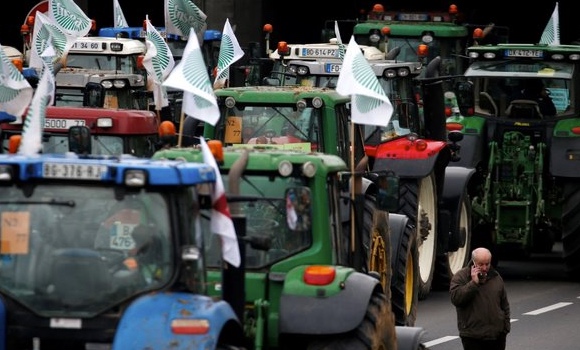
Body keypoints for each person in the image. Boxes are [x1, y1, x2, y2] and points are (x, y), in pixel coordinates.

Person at [450, 247, 511, 350]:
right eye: (480, 264)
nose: (484, 267)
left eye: (487, 264)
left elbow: (504, 304)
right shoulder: (461, 277)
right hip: (472, 336)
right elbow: (456, 299)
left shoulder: (496, 277)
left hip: (496, 336)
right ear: (473, 262)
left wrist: (505, 328)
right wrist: (473, 283)